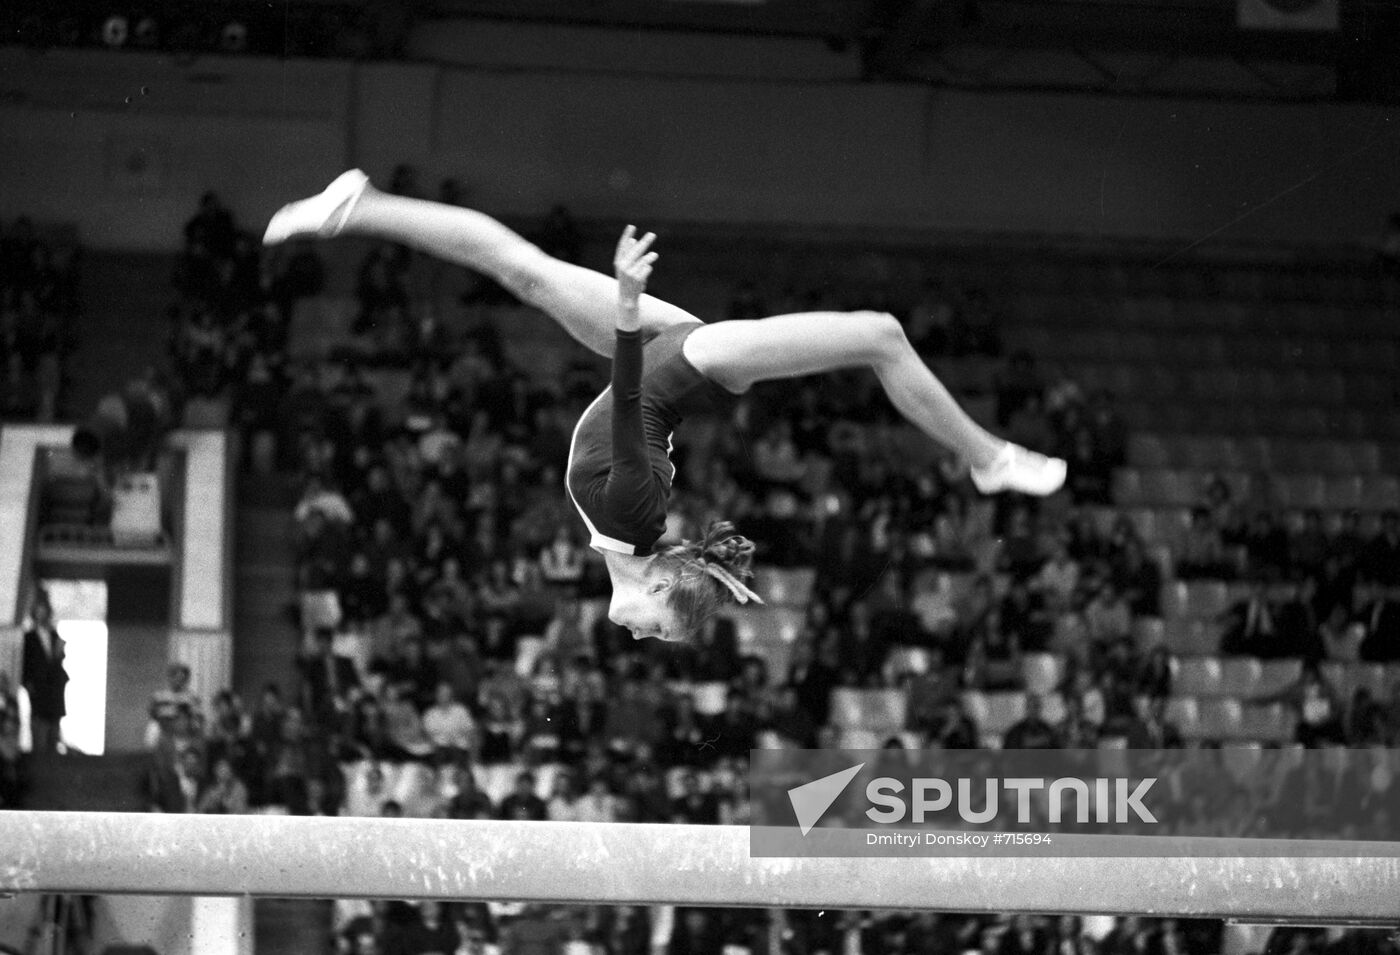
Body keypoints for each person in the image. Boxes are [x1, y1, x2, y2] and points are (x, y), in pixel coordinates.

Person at [265, 171, 1066, 642]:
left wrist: (627, 306)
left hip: (664, 351)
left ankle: (357, 207)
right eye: (656, 629)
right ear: (652, 584)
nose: (638, 633)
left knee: (523, 269)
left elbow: (626, 394)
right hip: (692, 360)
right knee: (882, 335)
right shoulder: (634, 513)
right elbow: (626, 393)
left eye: (652, 635)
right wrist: (624, 302)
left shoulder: (622, 524)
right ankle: (987, 459)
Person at [20, 594, 66, 754]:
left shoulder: (54, 635)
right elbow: (25, 665)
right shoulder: (29, 638)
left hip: (53, 694)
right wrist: (29, 686)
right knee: (40, 737)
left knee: (53, 737)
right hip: (39, 694)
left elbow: (58, 662)